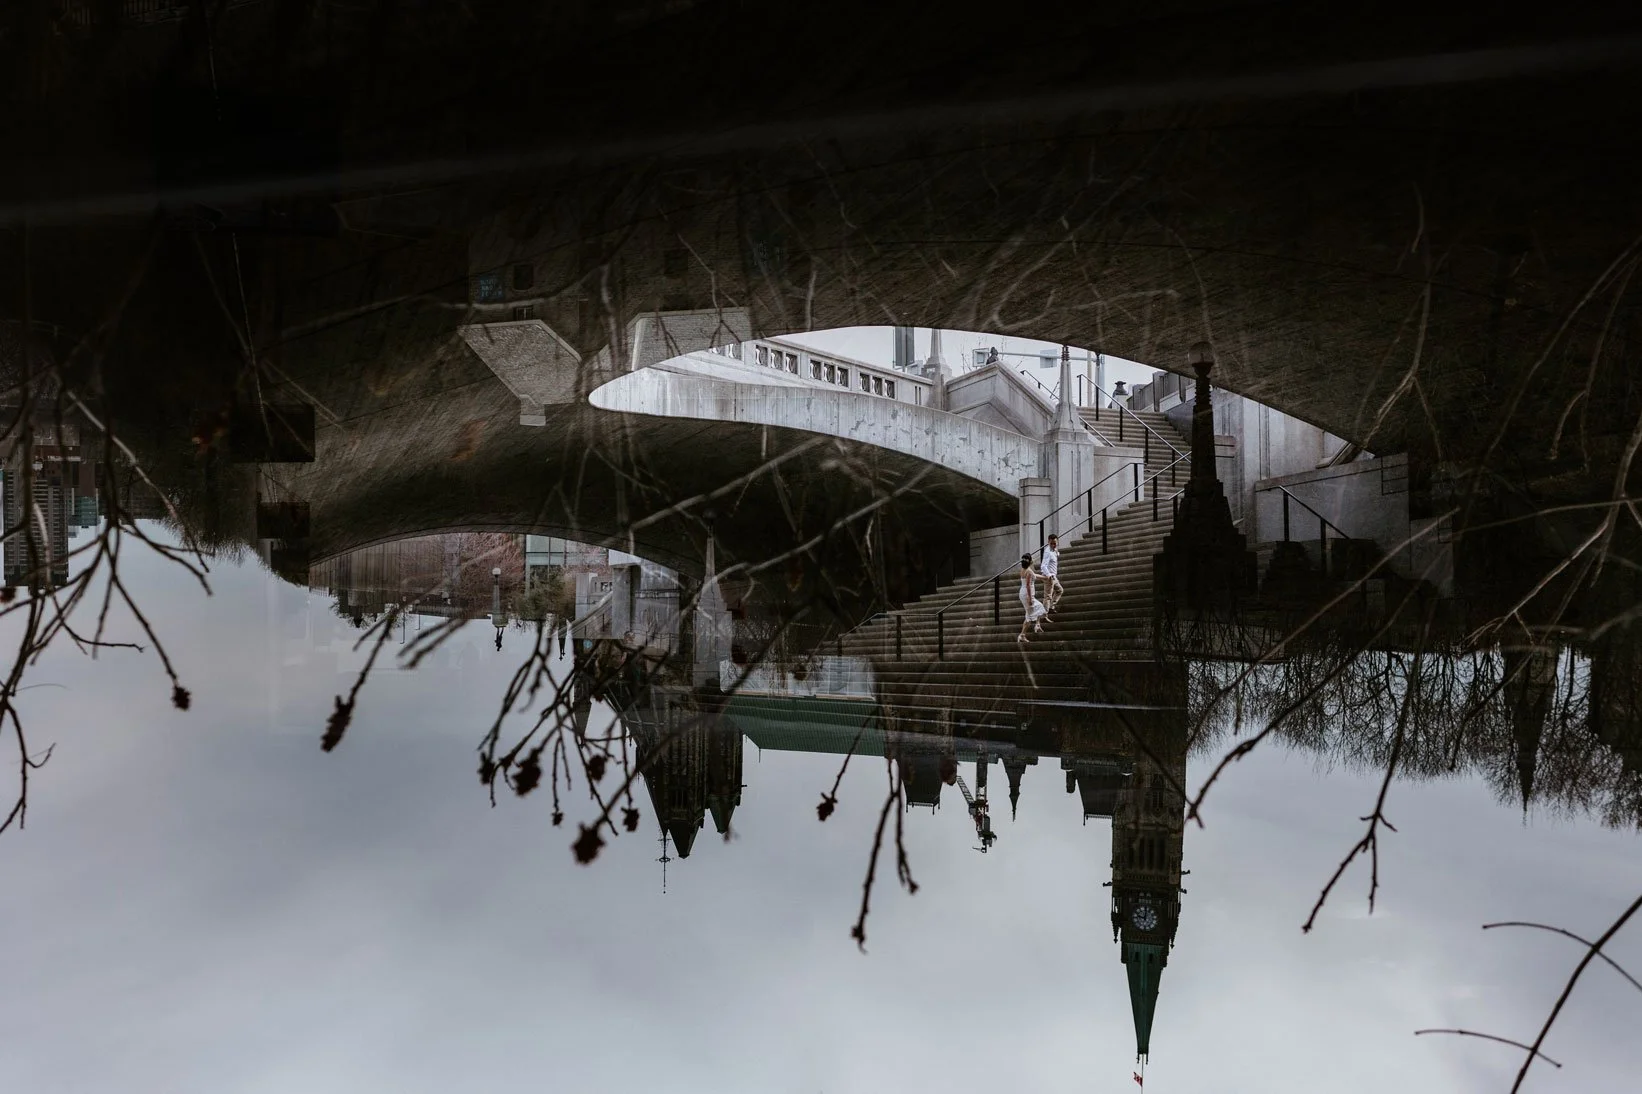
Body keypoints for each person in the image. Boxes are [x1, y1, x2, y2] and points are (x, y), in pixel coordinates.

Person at [1017, 554, 1047, 644]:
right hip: (1027, 594)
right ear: (1030, 561)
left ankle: (1037, 625)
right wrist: (1030, 598)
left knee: (1035, 610)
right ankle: (1022, 635)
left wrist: (1045, 577)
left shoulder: (1023, 569)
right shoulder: (1029, 571)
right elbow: (1028, 585)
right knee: (1030, 616)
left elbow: (1034, 575)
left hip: (1023, 593)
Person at [1040, 533, 1063, 612]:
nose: (1053, 545)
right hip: (1049, 577)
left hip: (1054, 576)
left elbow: (1056, 554)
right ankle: (1044, 614)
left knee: (1059, 590)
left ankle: (1051, 606)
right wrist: (1049, 575)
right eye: (1051, 543)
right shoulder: (1047, 552)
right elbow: (1043, 566)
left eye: (1055, 543)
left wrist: (1057, 552)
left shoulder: (1054, 550)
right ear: (1048, 542)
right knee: (1048, 596)